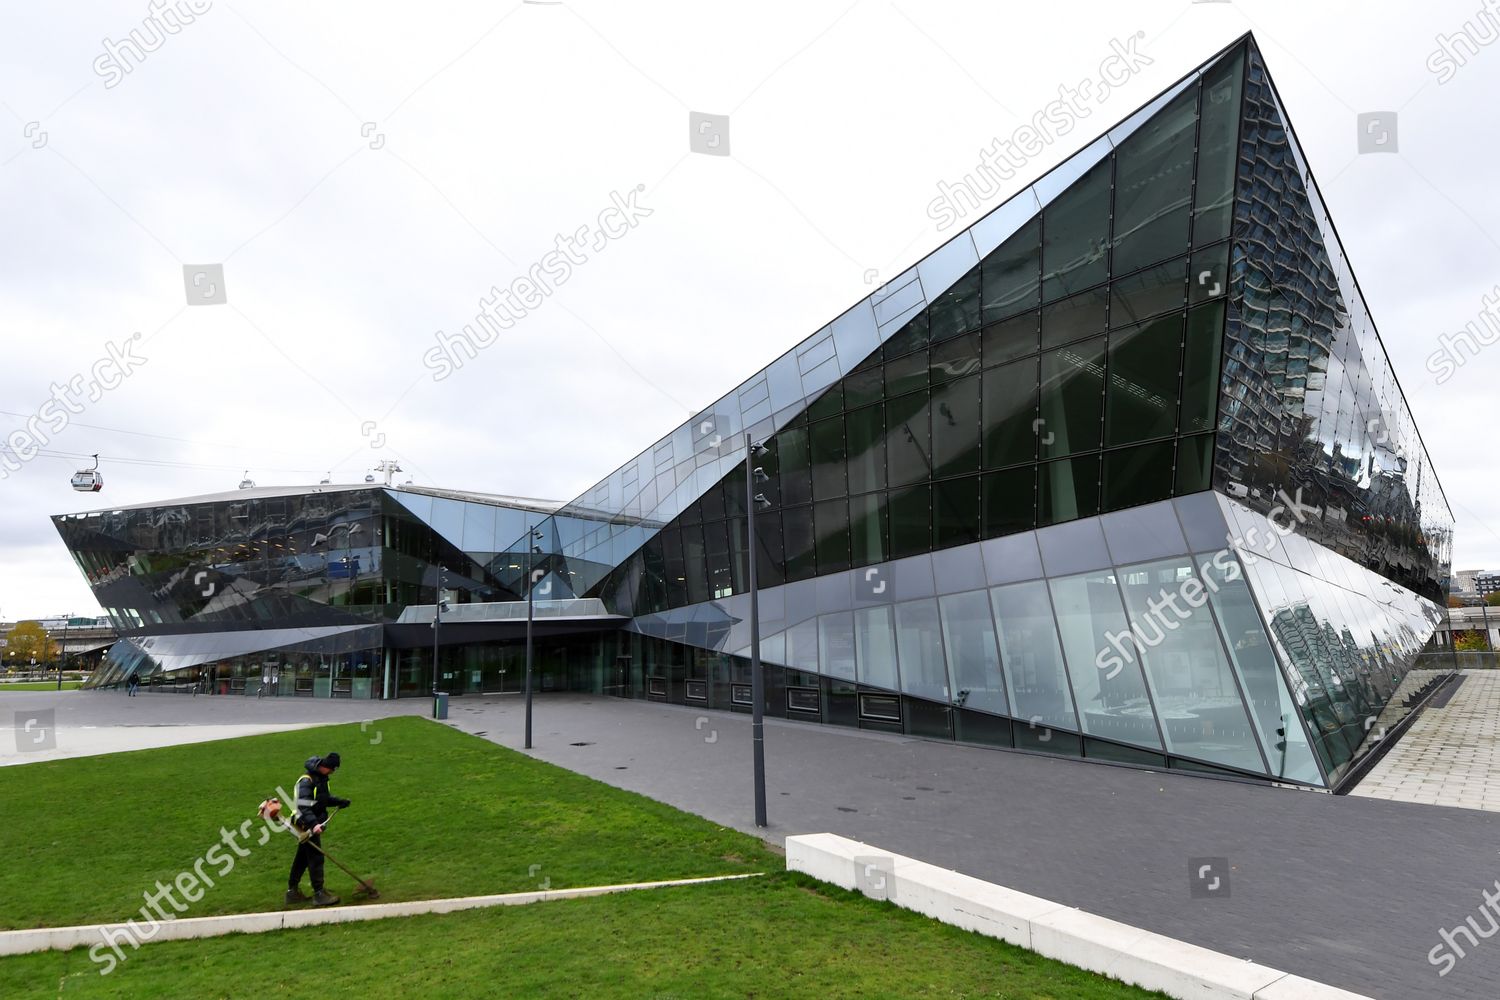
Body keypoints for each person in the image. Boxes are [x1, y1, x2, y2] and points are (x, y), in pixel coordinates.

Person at [286, 752, 351, 906]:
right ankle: (319, 894)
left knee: (302, 858)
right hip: (304, 824)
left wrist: (339, 802)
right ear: (325, 767)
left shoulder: (321, 779)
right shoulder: (306, 781)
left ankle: (292, 892)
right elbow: (303, 806)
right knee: (316, 858)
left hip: (311, 823)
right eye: (332, 769)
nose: (332, 773)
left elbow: (323, 799)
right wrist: (314, 824)